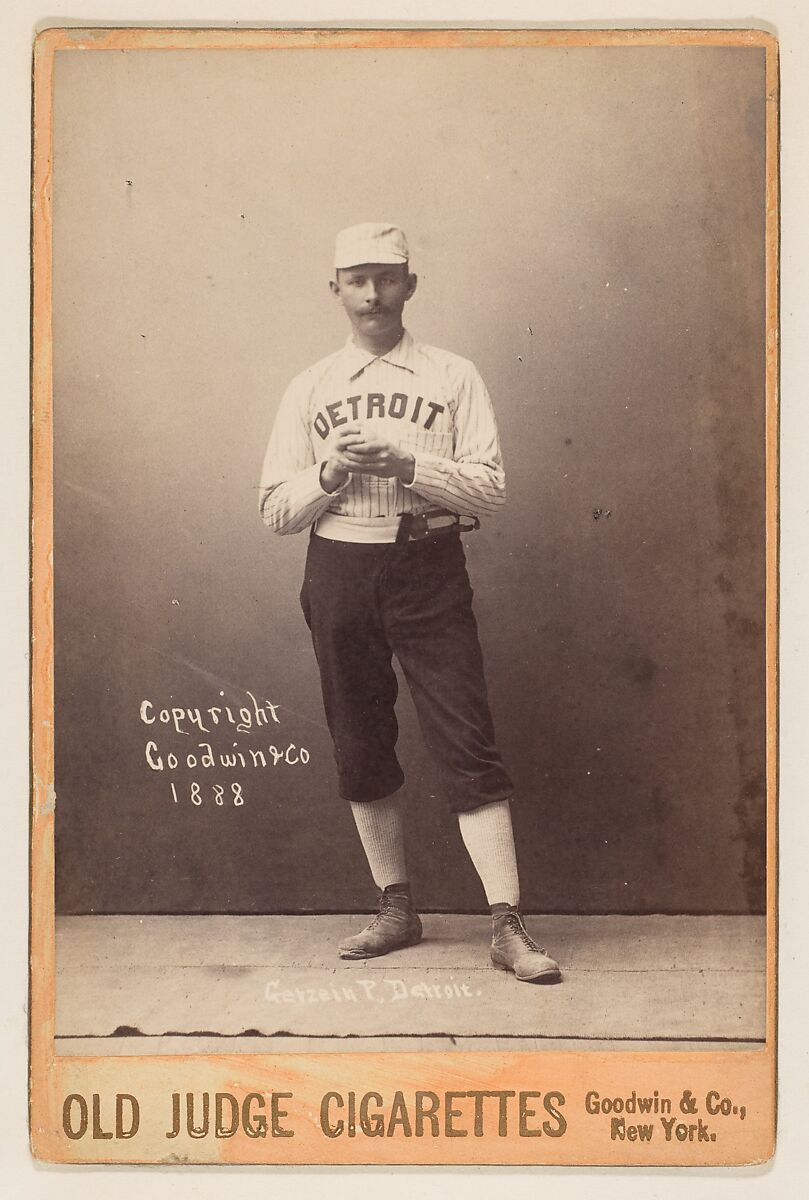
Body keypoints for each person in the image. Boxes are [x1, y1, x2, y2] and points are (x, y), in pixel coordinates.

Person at [259, 223, 560, 984]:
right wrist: (328, 474)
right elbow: (272, 510)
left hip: (426, 560)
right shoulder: (309, 385)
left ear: (409, 286)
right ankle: (396, 907)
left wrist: (408, 464)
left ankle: (506, 925)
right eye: (356, 280)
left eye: (386, 278)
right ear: (335, 290)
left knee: (465, 737)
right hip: (338, 566)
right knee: (359, 738)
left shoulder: (453, 375)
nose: (371, 294)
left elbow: (489, 487)